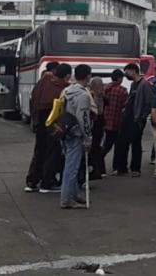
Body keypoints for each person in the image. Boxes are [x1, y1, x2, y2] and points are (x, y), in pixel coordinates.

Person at [25, 62, 70, 194]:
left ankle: (32, 182)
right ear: (66, 76)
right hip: (53, 123)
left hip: (39, 121)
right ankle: (47, 183)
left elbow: (33, 99)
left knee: (39, 151)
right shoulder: (61, 88)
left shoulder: (42, 83)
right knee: (53, 152)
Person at [60, 64, 93, 209]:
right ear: (88, 76)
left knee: (70, 164)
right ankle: (67, 199)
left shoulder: (66, 90)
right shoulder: (83, 95)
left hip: (65, 131)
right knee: (72, 167)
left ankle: (72, 194)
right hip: (77, 133)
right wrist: (88, 137)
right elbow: (84, 118)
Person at [113, 62, 154, 177]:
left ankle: (135, 168)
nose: (126, 75)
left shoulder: (144, 84)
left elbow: (149, 102)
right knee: (123, 142)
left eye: (127, 72)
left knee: (136, 143)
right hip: (127, 117)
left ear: (133, 71)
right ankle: (122, 167)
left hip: (136, 119)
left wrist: (142, 117)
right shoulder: (133, 85)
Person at [102, 69, 126, 165]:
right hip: (116, 120)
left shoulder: (105, 88)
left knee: (107, 142)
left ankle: (99, 162)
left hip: (104, 120)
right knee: (116, 144)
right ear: (119, 78)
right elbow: (124, 106)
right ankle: (115, 165)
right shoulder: (122, 90)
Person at [87, 77, 106, 179]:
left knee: (93, 148)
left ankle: (96, 169)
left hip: (94, 126)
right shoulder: (103, 97)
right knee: (97, 147)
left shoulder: (90, 96)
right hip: (100, 125)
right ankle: (100, 169)